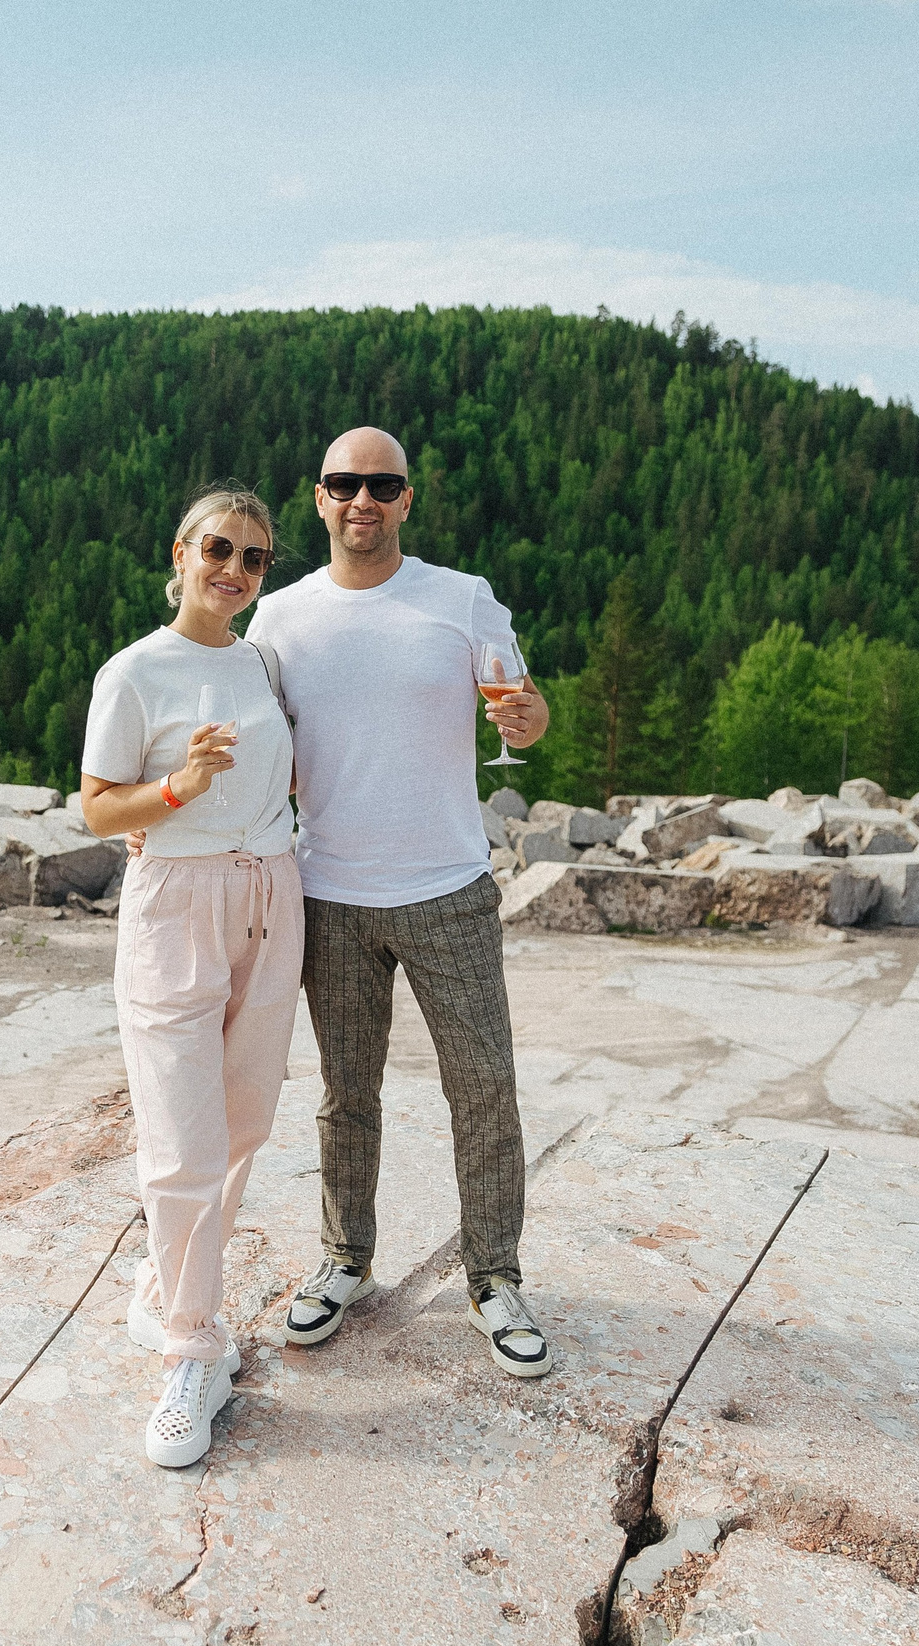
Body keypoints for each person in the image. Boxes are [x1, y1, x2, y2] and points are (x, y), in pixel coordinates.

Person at [244, 427, 557, 1377]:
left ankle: (494, 1276)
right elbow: (257, 746)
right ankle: (346, 1258)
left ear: (407, 500)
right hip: (330, 891)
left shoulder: (461, 598)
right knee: (347, 1093)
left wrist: (529, 718)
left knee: (485, 1086)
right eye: (344, 484)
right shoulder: (279, 618)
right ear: (319, 497)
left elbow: (527, 711)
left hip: (448, 888)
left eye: (382, 485)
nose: (363, 500)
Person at [79, 483, 303, 1468]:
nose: (234, 570)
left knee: (244, 1117)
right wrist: (179, 787)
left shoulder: (259, 662)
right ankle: (191, 1353)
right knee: (181, 1135)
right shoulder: (134, 672)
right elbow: (97, 809)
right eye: (219, 548)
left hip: (271, 896)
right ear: (180, 553)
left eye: (253, 558)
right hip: (176, 904)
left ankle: (163, 1287)